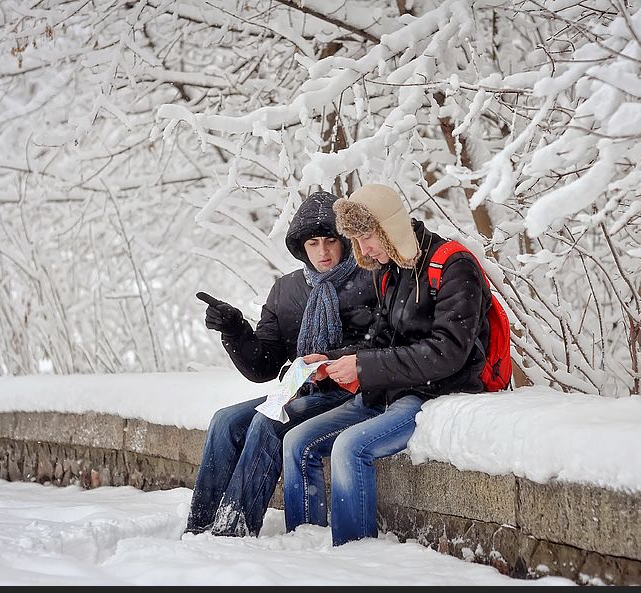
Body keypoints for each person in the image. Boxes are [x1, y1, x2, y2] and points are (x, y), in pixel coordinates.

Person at [282, 183, 491, 546]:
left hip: (435, 393)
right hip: (388, 389)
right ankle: (305, 549)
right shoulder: (389, 270)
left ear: (388, 229)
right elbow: (380, 339)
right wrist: (331, 360)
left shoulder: (454, 265)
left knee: (350, 446)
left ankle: (354, 556)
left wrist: (363, 369)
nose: (362, 251)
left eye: (366, 238)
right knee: (297, 441)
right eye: (357, 241)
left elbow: (447, 352)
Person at [184, 190, 375, 538]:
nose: (323, 252)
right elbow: (264, 366)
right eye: (313, 243)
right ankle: (199, 527)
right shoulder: (287, 290)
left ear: (345, 240)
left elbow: (380, 342)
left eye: (331, 240)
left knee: (266, 422)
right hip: (301, 389)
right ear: (301, 247)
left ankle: (234, 529)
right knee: (225, 420)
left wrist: (328, 361)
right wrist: (235, 328)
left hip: (348, 393)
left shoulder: (370, 279)